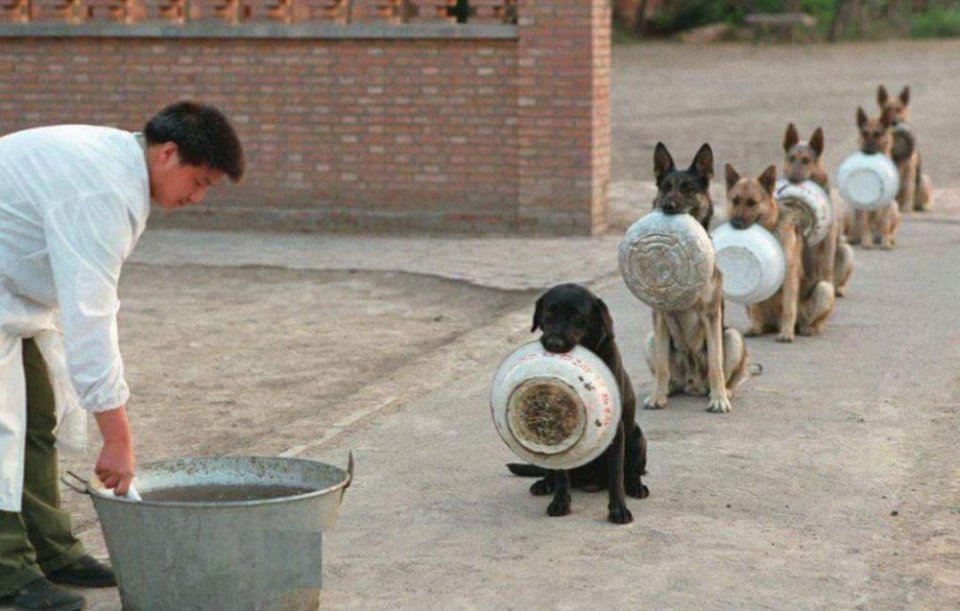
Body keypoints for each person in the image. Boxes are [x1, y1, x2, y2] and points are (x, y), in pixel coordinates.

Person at [0, 101, 244, 610]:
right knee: (1, 427)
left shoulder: (117, 166)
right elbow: (90, 317)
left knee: (35, 418)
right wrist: (118, 438)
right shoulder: (101, 189)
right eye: (198, 182)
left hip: (10, 297)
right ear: (168, 153)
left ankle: (51, 550)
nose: (197, 198)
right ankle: (8, 570)